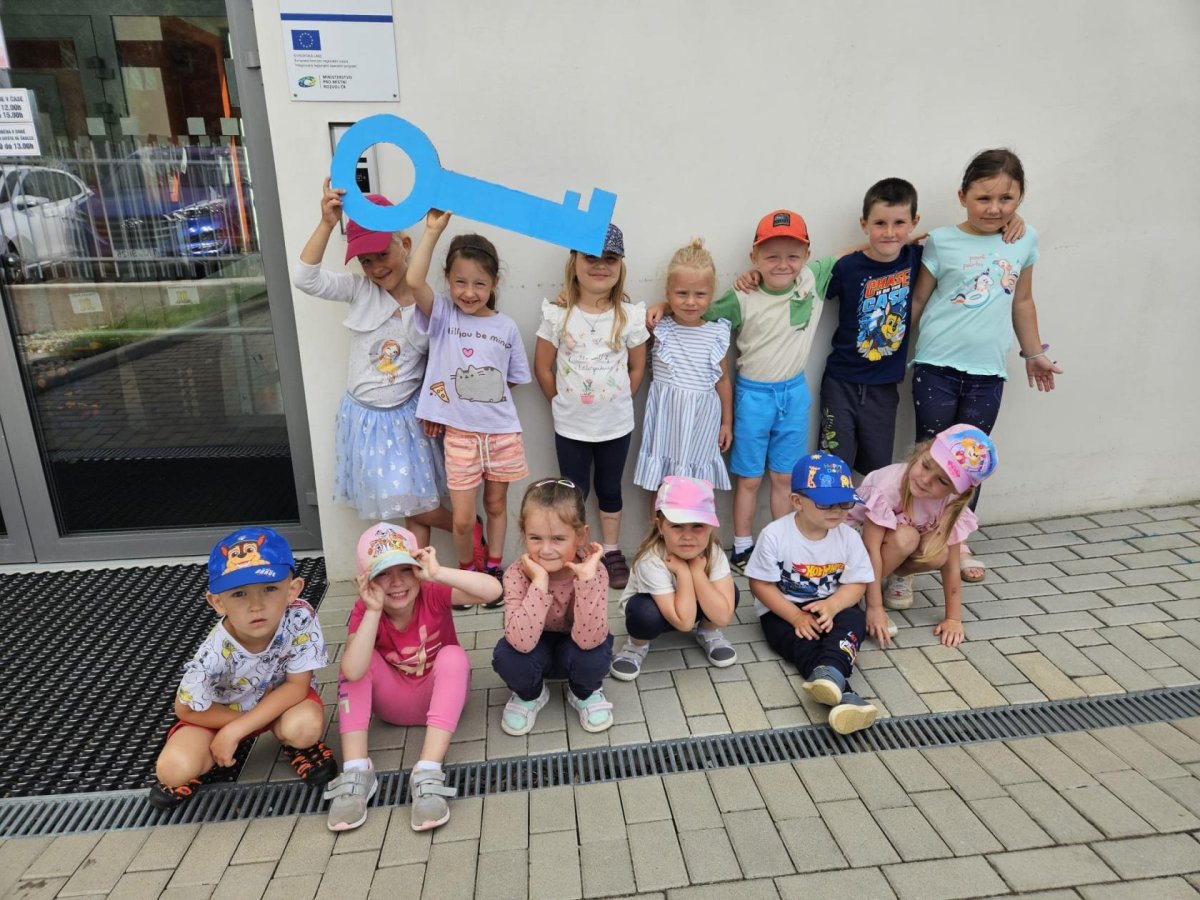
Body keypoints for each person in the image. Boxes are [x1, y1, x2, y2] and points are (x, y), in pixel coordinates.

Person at [292, 180, 482, 564]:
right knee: (411, 502)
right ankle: (445, 548)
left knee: (414, 503)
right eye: (366, 261)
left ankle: (458, 535)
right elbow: (305, 278)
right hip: (365, 419)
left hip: (407, 418)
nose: (377, 267)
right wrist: (327, 223)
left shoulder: (429, 304)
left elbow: (442, 360)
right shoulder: (360, 291)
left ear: (405, 244)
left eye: (382, 254)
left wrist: (435, 407)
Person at [909, 148, 1061, 583]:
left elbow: (1023, 301)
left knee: (970, 461)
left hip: (988, 373)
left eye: (1006, 199)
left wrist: (1033, 354)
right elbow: (919, 299)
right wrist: (895, 354)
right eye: (984, 198)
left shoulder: (1023, 240)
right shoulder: (941, 240)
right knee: (929, 454)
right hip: (935, 366)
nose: (994, 208)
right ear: (963, 197)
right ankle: (914, 534)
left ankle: (957, 539)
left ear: (1020, 198)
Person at [324, 523, 502, 832]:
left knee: (454, 656)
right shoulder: (365, 609)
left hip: (441, 698)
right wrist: (372, 611)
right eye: (383, 573)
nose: (396, 582)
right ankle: (356, 771)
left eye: (406, 569)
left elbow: (493, 591)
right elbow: (352, 672)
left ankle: (428, 771)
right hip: (393, 704)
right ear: (366, 580)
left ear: (418, 569)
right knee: (354, 661)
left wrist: (439, 572)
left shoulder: (432, 591)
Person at [149, 527, 336, 809]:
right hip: (221, 714)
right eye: (239, 594)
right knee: (172, 771)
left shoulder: (299, 616)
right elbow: (185, 709)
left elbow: (297, 686)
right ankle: (210, 754)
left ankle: (286, 739)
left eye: (269, 589)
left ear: (292, 589)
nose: (256, 606)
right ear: (217, 602)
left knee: (305, 728)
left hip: (279, 703)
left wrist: (237, 731)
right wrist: (236, 725)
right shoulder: (214, 653)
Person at [406, 210, 532, 583]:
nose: (469, 292)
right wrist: (432, 231)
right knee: (461, 518)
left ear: (495, 283)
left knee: (496, 505)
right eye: (460, 282)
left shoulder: (506, 327)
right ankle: (466, 572)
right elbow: (413, 280)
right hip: (460, 436)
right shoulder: (443, 314)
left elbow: (512, 379)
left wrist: (477, 393)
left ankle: (493, 567)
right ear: (447, 279)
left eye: (479, 283)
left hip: (502, 434)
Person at [534, 224, 649, 589]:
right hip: (571, 426)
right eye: (591, 257)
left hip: (616, 425)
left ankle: (611, 551)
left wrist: (618, 400)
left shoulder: (628, 315)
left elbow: (637, 367)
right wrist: (561, 403)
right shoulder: (558, 314)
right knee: (573, 493)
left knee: (610, 488)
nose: (601, 265)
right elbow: (543, 367)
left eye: (610, 259)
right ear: (575, 262)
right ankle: (576, 552)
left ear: (621, 265)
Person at [745, 453, 878, 735]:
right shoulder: (775, 535)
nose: (837, 511)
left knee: (853, 622)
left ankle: (830, 677)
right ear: (797, 501)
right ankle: (846, 694)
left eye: (844, 503)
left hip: (832, 605)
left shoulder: (849, 537)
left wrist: (833, 605)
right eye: (825, 503)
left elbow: (857, 584)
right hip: (782, 608)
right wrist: (795, 616)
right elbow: (760, 585)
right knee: (802, 644)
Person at [851, 425, 998, 650]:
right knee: (906, 537)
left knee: (939, 552)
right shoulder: (890, 484)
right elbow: (870, 549)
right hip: (853, 544)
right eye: (926, 465)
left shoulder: (951, 503)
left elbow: (951, 564)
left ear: (958, 492)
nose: (925, 480)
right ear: (921, 452)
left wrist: (953, 619)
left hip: (889, 544)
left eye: (942, 481)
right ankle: (857, 592)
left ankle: (894, 575)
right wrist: (875, 608)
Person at [492, 478, 613, 736]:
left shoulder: (595, 571)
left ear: (581, 535)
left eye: (558, 538)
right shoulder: (516, 574)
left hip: (578, 646)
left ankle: (584, 692)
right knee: (507, 656)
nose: (546, 550)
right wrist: (539, 581)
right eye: (535, 538)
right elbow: (520, 642)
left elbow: (590, 640)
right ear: (524, 533)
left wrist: (586, 581)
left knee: (595, 653)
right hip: (535, 647)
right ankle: (531, 694)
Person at [609, 476, 737, 681]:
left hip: (688, 608)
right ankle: (636, 645)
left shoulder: (714, 552)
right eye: (677, 525)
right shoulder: (650, 560)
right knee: (644, 612)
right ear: (660, 526)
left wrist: (696, 571)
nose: (687, 536)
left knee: (730, 593)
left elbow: (723, 617)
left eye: (698, 525)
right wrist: (684, 573)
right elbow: (684, 623)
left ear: (711, 526)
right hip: (659, 613)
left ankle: (708, 632)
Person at [633, 238, 732, 496]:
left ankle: (696, 523)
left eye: (700, 294)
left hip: (702, 421)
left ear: (711, 294)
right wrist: (662, 307)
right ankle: (658, 524)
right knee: (662, 484)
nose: (690, 302)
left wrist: (727, 423)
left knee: (697, 487)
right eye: (682, 294)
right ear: (668, 292)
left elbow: (723, 381)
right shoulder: (659, 327)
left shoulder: (716, 333)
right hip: (666, 419)